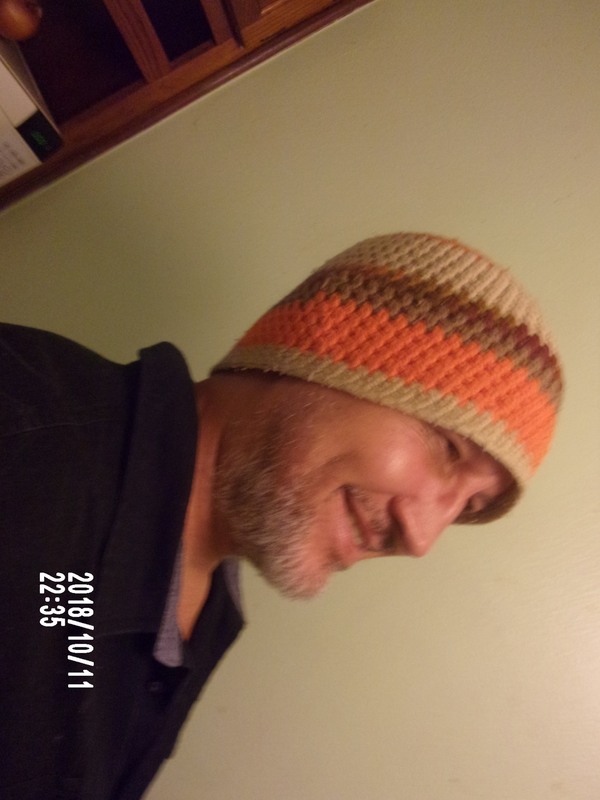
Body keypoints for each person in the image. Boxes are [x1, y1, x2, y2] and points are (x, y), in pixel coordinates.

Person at [0, 232, 563, 799]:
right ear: (321, 349)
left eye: (468, 506)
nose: (421, 538)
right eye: (447, 448)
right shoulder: (22, 419)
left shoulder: (213, 613)